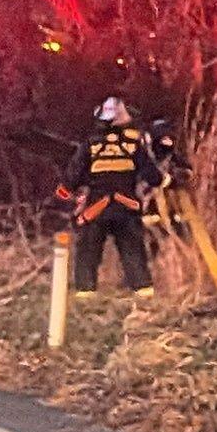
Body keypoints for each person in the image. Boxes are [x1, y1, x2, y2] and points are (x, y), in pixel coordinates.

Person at [59, 97, 166, 294]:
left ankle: (86, 294)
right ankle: (143, 293)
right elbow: (154, 177)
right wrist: (166, 180)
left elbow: (69, 181)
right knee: (133, 252)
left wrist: (67, 201)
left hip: (95, 211)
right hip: (127, 209)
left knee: (88, 253)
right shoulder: (132, 145)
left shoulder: (90, 146)